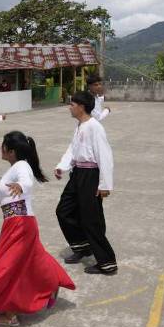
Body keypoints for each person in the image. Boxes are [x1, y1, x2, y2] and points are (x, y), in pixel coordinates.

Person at [0, 131, 75, 326]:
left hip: (20, 224)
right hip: (15, 223)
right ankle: (50, 285)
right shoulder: (12, 169)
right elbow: (1, 199)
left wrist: (21, 186)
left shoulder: (22, 166)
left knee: (8, 266)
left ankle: (10, 314)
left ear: (11, 151)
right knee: (32, 261)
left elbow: (26, 181)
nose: (0, 147)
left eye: (3, 144)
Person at [55, 90, 117, 275]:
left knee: (91, 219)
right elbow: (73, 149)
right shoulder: (80, 126)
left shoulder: (94, 126)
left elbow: (105, 156)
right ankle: (82, 246)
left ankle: (107, 262)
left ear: (81, 107)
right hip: (78, 173)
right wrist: (62, 166)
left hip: (90, 175)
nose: (70, 107)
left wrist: (105, 185)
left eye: (72, 104)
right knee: (63, 211)